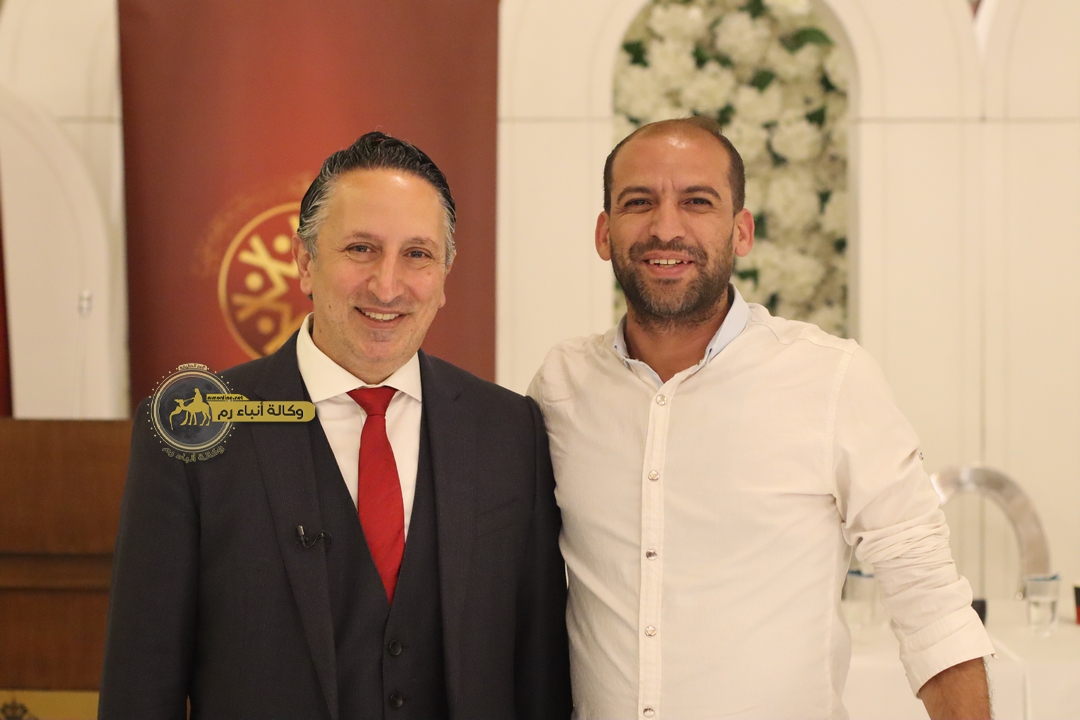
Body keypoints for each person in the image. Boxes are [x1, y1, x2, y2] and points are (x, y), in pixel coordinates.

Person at [528, 117, 994, 720]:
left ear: (741, 231)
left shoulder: (832, 378)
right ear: (603, 232)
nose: (666, 227)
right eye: (638, 202)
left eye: (697, 202)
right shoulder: (561, 385)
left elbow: (928, 602)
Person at [100, 132, 572, 720]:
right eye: (361, 249)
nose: (387, 285)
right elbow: (141, 685)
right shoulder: (192, 428)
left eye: (417, 254)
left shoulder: (509, 431)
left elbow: (539, 674)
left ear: (445, 275)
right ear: (304, 262)